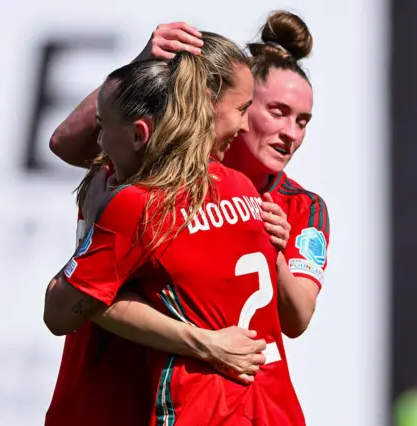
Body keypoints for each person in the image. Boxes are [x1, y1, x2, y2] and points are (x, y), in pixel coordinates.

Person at [45, 45, 306, 424]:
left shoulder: (136, 204)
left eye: (103, 129)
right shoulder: (241, 188)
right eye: (243, 109)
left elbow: (60, 312)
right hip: (271, 409)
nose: (97, 144)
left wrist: (93, 229)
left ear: (139, 134)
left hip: (197, 408)